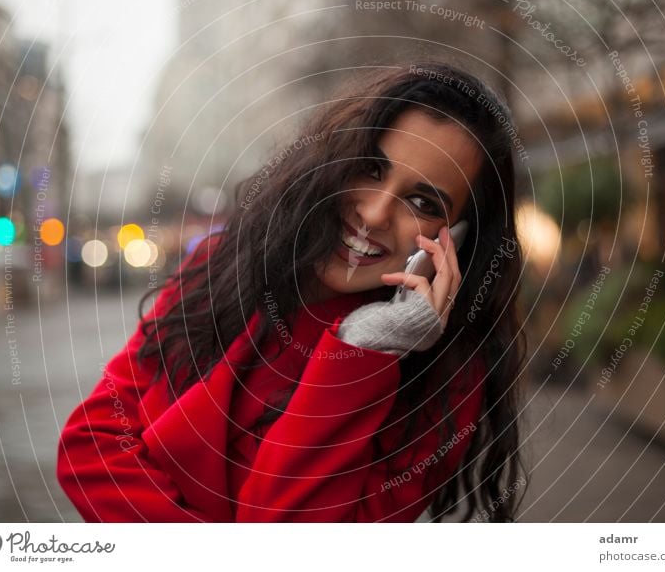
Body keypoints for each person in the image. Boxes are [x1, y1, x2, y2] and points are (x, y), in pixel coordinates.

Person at [56, 60, 528, 522]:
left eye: (422, 202)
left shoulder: (448, 380)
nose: (375, 213)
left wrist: (365, 350)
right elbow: (89, 444)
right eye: (369, 168)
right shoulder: (223, 265)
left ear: (460, 238)